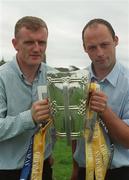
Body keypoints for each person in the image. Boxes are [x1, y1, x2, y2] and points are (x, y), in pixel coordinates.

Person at [71, 18, 129, 180]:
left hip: (120, 173)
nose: (100, 53)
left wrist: (105, 111)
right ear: (84, 48)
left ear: (115, 40)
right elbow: (75, 132)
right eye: (92, 47)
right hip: (84, 170)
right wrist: (75, 168)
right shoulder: (76, 81)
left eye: (104, 45)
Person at [0, 16, 56, 180]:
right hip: (8, 171)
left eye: (42, 42)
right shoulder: (2, 78)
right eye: (29, 42)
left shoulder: (54, 76)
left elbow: (54, 122)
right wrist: (29, 117)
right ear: (15, 43)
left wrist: (50, 150)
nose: (37, 48)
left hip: (43, 166)